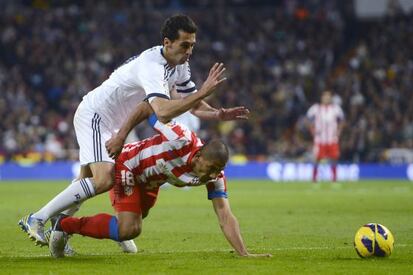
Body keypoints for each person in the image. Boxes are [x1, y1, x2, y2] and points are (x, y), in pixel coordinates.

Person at [19, 14, 249, 250]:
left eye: (192, 45)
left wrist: (217, 114)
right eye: (184, 45)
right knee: (103, 179)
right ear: (167, 43)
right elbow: (160, 111)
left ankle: (61, 226)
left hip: (116, 122)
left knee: (85, 182)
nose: (189, 51)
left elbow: (193, 104)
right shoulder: (152, 65)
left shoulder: (179, 66)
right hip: (98, 114)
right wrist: (204, 91)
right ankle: (36, 218)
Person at [49, 111, 271, 258]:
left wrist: (244, 253)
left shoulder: (215, 177)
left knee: (133, 222)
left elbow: (225, 215)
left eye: (217, 170)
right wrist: (121, 135)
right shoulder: (181, 138)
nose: (212, 174)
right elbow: (152, 113)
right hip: (129, 165)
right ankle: (65, 225)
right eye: (211, 167)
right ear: (199, 155)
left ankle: (117, 230)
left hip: (151, 182)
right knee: (130, 228)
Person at [306, 91, 345, 182]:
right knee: (317, 159)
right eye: (325, 96)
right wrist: (312, 130)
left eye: (328, 97)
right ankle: (314, 179)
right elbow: (307, 119)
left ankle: (334, 179)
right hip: (320, 139)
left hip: (332, 139)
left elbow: (342, 120)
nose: (326, 98)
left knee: (334, 158)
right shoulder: (316, 108)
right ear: (321, 98)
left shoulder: (336, 108)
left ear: (331, 98)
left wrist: (339, 131)